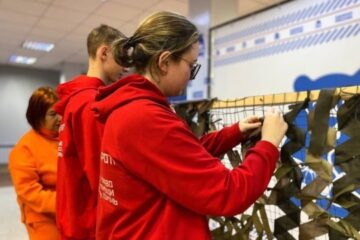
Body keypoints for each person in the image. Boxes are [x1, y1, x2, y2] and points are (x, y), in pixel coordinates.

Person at [92, 11, 288, 240]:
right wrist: (269, 144)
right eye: (191, 65)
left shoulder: (130, 108)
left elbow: (180, 155)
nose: (190, 76)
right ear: (164, 62)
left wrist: (232, 133)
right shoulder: (145, 118)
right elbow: (228, 193)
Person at [53, 24, 128, 240]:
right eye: (122, 56)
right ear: (104, 52)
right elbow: (102, 175)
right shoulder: (91, 103)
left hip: (73, 218)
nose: (126, 66)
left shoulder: (75, 99)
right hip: (89, 225)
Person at [8, 87, 61, 240]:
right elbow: (30, 193)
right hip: (43, 221)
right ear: (37, 117)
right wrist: (66, 202)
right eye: (53, 114)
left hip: (69, 215)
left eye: (61, 111)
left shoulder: (63, 138)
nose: (60, 118)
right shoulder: (24, 149)